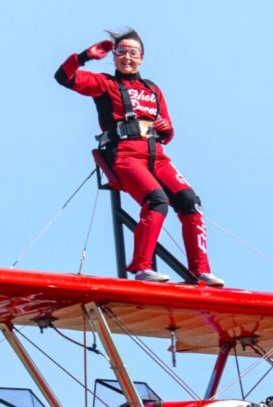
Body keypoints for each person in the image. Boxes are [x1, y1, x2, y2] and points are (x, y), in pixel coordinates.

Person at [55, 29, 224, 287]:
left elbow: (167, 130)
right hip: (125, 155)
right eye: (120, 52)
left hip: (157, 156)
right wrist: (84, 56)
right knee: (156, 200)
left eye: (132, 53)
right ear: (113, 58)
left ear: (142, 58)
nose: (126, 57)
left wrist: (167, 129)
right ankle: (142, 267)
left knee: (191, 201)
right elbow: (63, 77)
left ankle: (201, 271)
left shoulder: (153, 89)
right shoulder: (105, 84)